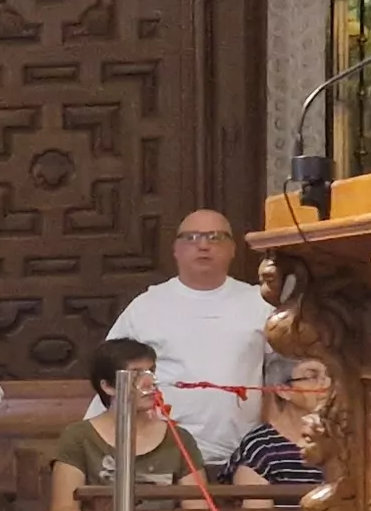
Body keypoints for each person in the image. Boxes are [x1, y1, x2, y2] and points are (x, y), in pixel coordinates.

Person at [105, 209, 271, 470]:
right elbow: (111, 371)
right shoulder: (146, 306)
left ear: (233, 249)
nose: (203, 245)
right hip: (162, 453)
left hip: (245, 456)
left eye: (215, 237)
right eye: (192, 237)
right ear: (176, 249)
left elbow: (288, 374)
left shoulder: (261, 304)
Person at [50, 338, 198, 511]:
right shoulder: (78, 437)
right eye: (136, 375)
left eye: (151, 372)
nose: (149, 383)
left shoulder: (179, 438)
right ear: (108, 386)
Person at [226, 352, 334, 488]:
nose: (327, 385)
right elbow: (256, 509)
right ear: (283, 390)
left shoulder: (347, 439)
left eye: (329, 375)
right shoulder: (260, 448)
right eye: (313, 377)